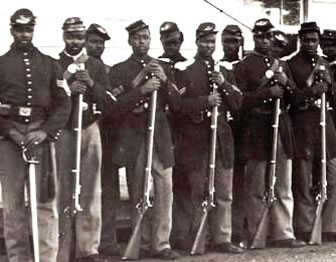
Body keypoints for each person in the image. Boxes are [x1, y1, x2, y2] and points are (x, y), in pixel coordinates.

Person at [0, 8, 71, 262]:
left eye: (28, 29)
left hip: (41, 138)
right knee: (12, 206)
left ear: (33, 30)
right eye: (19, 29)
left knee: (45, 203)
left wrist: (45, 131)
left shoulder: (49, 64)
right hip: (10, 140)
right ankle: (18, 258)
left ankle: (47, 258)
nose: (24, 34)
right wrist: (10, 132)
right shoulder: (1, 65)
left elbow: (64, 103)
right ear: (11, 30)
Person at [108, 20, 180, 260]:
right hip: (135, 137)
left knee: (164, 190)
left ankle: (161, 243)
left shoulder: (163, 67)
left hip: (159, 136)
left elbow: (177, 105)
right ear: (130, 41)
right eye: (137, 38)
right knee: (138, 190)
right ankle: (139, 242)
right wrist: (142, 89)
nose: (142, 42)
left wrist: (165, 82)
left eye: (146, 37)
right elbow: (115, 107)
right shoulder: (120, 69)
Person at [234, 18, 306, 249]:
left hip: (280, 126)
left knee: (282, 184)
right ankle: (258, 233)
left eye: (267, 37)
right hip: (258, 126)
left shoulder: (282, 66)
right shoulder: (244, 66)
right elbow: (239, 100)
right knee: (256, 184)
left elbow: (296, 99)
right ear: (254, 37)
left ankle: (284, 233)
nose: (264, 41)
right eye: (259, 37)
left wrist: (287, 84)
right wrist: (267, 92)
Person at [177, 22, 243, 254]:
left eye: (212, 41)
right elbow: (177, 105)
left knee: (224, 191)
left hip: (222, 138)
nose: (208, 45)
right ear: (196, 41)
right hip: (197, 139)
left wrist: (223, 84)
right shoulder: (185, 69)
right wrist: (205, 102)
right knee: (199, 191)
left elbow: (237, 102)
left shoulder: (224, 69)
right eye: (204, 41)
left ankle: (222, 238)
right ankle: (199, 237)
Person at [56, 17, 113, 262]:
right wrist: (69, 87)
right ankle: (62, 248)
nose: (75, 41)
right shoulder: (54, 64)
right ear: (63, 36)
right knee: (62, 189)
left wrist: (90, 83)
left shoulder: (97, 66)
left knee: (90, 190)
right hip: (64, 131)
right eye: (71, 36)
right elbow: (49, 98)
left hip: (89, 129)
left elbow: (110, 102)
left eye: (79, 37)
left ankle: (88, 248)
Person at [287, 22, 336, 242]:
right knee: (304, 178)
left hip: (325, 124)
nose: (310, 44)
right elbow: (293, 98)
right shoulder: (291, 64)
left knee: (332, 176)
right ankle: (306, 226)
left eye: (314, 40)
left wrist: (328, 88)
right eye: (306, 40)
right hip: (303, 124)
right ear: (300, 40)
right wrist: (312, 91)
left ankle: (329, 226)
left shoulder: (324, 63)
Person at [85, 22, 121, 257]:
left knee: (109, 190)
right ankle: (83, 244)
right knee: (85, 189)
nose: (97, 46)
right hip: (84, 134)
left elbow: (113, 105)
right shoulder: (71, 67)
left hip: (107, 137)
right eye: (93, 42)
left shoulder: (108, 71)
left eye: (101, 43)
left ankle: (107, 241)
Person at [157, 21, 191, 250]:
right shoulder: (156, 65)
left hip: (186, 132)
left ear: (182, 41)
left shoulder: (188, 67)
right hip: (164, 131)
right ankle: (163, 238)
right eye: (167, 42)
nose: (172, 46)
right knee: (164, 187)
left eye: (176, 42)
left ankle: (183, 234)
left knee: (185, 186)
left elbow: (187, 99)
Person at [220, 24, 247, 247]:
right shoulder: (217, 66)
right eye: (227, 40)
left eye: (235, 41)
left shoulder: (245, 66)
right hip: (224, 130)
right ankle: (226, 231)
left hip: (244, 129)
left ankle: (240, 228)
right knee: (225, 181)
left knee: (242, 182)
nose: (231, 45)